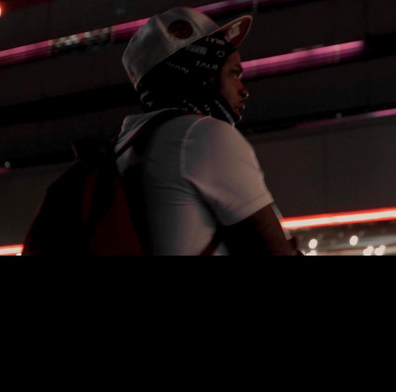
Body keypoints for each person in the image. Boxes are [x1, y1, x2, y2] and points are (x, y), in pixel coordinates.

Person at [116, 6, 296, 255]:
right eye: (234, 74)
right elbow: (275, 250)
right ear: (204, 74)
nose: (244, 90)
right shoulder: (203, 134)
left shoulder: (125, 143)